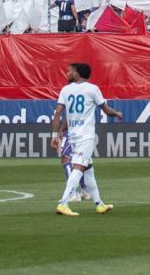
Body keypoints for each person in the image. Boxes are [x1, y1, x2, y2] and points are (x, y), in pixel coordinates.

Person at [51, 61, 124, 216]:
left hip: (73, 136)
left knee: (89, 170)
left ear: (78, 73)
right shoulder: (92, 89)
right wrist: (117, 114)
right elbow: (105, 109)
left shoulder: (65, 90)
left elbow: (58, 113)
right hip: (86, 136)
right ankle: (63, 203)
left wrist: (55, 134)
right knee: (79, 168)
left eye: (70, 71)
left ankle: (99, 204)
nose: (67, 73)